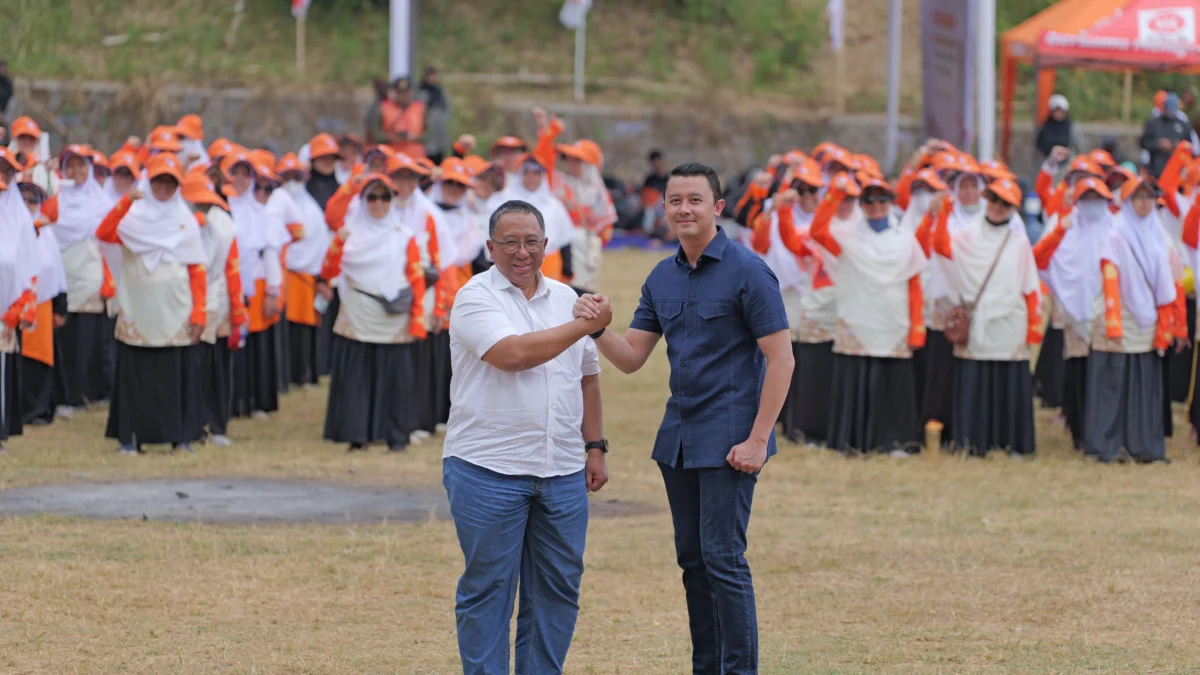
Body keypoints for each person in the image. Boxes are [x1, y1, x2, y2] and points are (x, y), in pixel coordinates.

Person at [574, 163, 793, 674]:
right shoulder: (661, 275)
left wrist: (759, 441)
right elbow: (630, 357)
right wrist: (595, 327)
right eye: (675, 200)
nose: (684, 209)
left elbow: (782, 360)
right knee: (693, 564)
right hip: (678, 440)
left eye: (695, 200)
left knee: (724, 560)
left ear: (718, 208)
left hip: (731, 442)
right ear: (664, 208)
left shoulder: (749, 271)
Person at [443, 199, 610, 675]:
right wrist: (584, 323)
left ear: (546, 245)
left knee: (558, 589)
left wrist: (594, 447)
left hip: (561, 471)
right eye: (510, 242)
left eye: (531, 242)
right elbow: (512, 354)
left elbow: (588, 376)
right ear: (490, 247)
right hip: (487, 470)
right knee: (489, 589)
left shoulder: (565, 296)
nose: (522, 252)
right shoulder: (475, 296)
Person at [96, 153, 207, 455]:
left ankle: (180, 437)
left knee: (176, 373)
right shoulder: (132, 217)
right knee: (134, 374)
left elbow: (197, 269)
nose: (164, 187)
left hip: (176, 311)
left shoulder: (186, 222)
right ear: (148, 181)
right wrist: (125, 202)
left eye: (171, 182)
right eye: (159, 180)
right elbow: (104, 233)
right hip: (138, 310)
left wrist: (199, 312)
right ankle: (129, 438)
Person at [927, 178, 1041, 456]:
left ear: (1014, 208)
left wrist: (1033, 329)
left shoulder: (1019, 241)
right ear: (985, 201)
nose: (998, 208)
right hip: (977, 320)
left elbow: (1029, 286)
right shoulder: (967, 235)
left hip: (1009, 320)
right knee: (975, 379)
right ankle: (972, 442)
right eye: (994, 200)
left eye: (1005, 203)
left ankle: (1011, 443)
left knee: (1008, 381)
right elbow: (941, 248)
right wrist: (941, 213)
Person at [819, 174, 926, 456]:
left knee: (893, 384)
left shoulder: (905, 239)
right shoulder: (847, 236)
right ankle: (851, 441)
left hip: (894, 321)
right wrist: (833, 195)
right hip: (858, 320)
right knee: (856, 380)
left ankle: (895, 442)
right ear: (861, 205)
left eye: (882, 199)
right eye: (869, 200)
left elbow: (915, 285)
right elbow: (818, 232)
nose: (876, 205)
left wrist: (917, 327)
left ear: (891, 203)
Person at [320, 174, 427, 452]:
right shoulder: (349, 234)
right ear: (363, 200)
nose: (378, 204)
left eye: (384, 198)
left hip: (393, 315)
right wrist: (338, 242)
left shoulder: (404, 236)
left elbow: (416, 277)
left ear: (392, 202)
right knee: (358, 375)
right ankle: (357, 434)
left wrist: (418, 319)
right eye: (372, 197)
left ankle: (396, 435)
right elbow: (328, 270)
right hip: (358, 310)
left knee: (396, 378)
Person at [1086, 176, 1185, 463]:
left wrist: (1174, 324)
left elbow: (1173, 280)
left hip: (1148, 320)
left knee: (1144, 383)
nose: (1144, 204)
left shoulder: (1159, 234)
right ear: (1127, 201)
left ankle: (1144, 445)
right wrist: (1114, 320)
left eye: (1149, 198)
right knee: (1112, 382)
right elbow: (1108, 275)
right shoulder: (1115, 233)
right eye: (1138, 198)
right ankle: (1106, 445)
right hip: (1118, 315)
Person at [749, 157, 833, 445]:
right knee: (779, 358)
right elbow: (760, 243)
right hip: (783, 296)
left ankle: (802, 418)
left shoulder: (826, 220)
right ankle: (778, 417)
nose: (809, 197)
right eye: (804, 190)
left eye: (815, 190)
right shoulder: (776, 217)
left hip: (816, 299)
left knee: (806, 363)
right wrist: (773, 208)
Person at [1034, 178, 1115, 450]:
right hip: (1075, 312)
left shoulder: (1115, 229)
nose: (1092, 205)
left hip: (1108, 311)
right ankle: (1080, 432)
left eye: (1097, 198)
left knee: (1106, 373)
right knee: (1078, 371)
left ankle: (1106, 430)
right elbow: (1040, 258)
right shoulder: (1067, 229)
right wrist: (1058, 230)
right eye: (1086, 199)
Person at [39, 145, 116, 416]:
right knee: (64, 338)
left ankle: (84, 394)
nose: (76, 172)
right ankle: (63, 396)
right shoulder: (56, 197)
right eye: (70, 166)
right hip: (62, 275)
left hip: (91, 277)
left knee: (88, 339)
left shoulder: (101, 201)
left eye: (81, 165)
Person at [182, 171, 247, 447]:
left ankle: (215, 424)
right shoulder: (177, 220)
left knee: (213, 367)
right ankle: (189, 423)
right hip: (178, 298)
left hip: (212, 301)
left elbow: (232, 269)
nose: (203, 208)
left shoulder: (224, 226)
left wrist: (237, 310)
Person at [17, 180, 66, 426]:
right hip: (12, 306)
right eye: (22, 199)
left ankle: (38, 409)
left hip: (42, 305)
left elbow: (57, 272)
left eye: (32, 200)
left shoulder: (48, 235)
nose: (27, 204)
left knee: (40, 358)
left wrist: (60, 306)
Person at [0, 153, 39, 453]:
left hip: (7, 304)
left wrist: (25, 303)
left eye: (7, 171)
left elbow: (28, 262)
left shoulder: (19, 215)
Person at [1142, 93, 1192, 179]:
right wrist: (1158, 145)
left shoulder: (1183, 124)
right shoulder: (1153, 123)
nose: (1171, 112)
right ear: (1164, 107)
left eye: (1173, 109)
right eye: (1169, 108)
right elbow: (1143, 142)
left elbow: (1190, 145)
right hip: (1156, 170)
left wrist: (1179, 146)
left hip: (1176, 172)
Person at [379, 77, 426, 158]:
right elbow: (375, 135)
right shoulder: (384, 108)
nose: (403, 96)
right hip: (392, 157)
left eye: (406, 92)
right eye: (400, 93)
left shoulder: (420, 107)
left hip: (416, 157)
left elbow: (429, 134)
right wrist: (394, 137)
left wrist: (413, 137)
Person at [418, 65, 451, 165]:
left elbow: (447, 108)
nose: (432, 78)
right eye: (429, 75)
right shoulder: (421, 91)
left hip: (439, 132)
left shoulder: (439, 91)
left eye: (433, 75)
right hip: (427, 133)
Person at [1035, 94, 1083, 161]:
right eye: (1056, 111)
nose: (1059, 114)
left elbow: (1079, 150)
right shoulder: (1045, 128)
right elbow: (1039, 148)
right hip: (1048, 164)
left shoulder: (1072, 128)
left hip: (1067, 164)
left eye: (1061, 111)